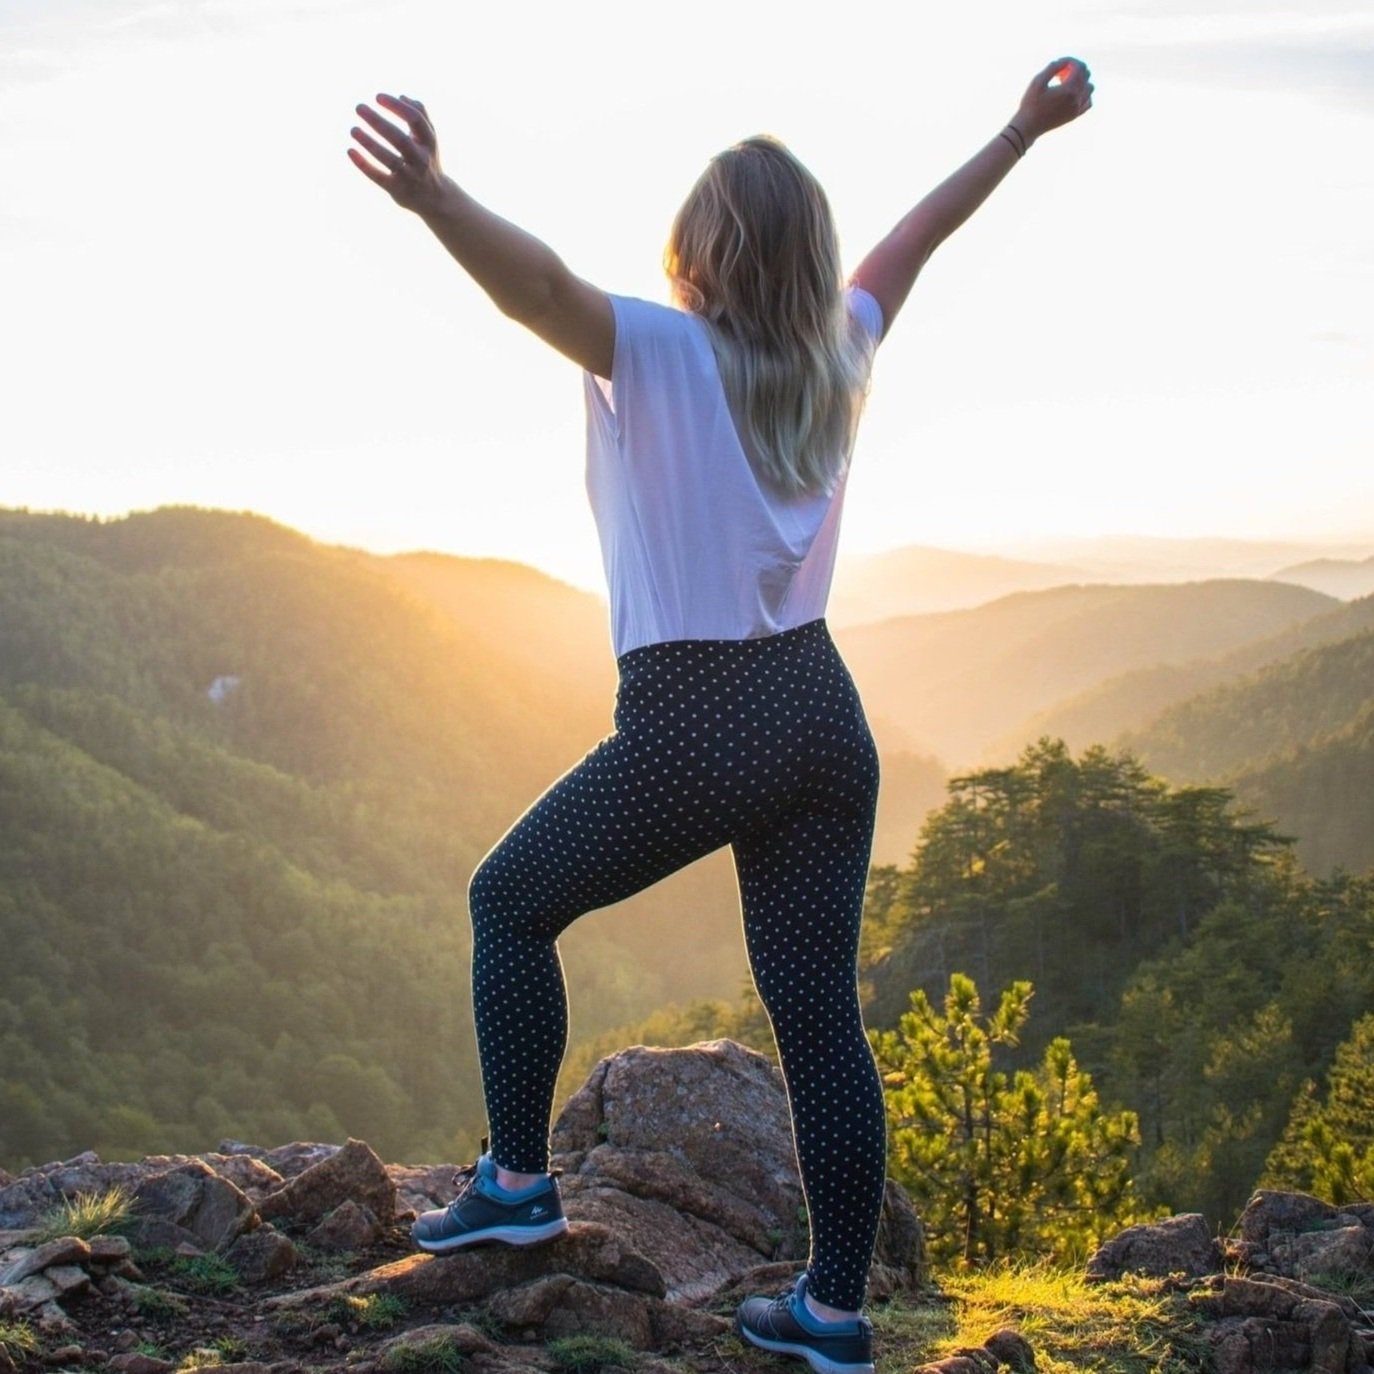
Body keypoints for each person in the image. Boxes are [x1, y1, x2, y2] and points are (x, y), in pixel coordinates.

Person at [348, 56, 1093, 1374]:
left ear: (699, 248)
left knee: (507, 902)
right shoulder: (840, 346)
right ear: (806, 257)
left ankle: (516, 1182)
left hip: (701, 714)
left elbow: (539, 289)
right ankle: (832, 1316)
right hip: (822, 711)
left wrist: (435, 197)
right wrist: (1018, 131)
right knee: (819, 1013)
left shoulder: (663, 347)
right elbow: (917, 234)